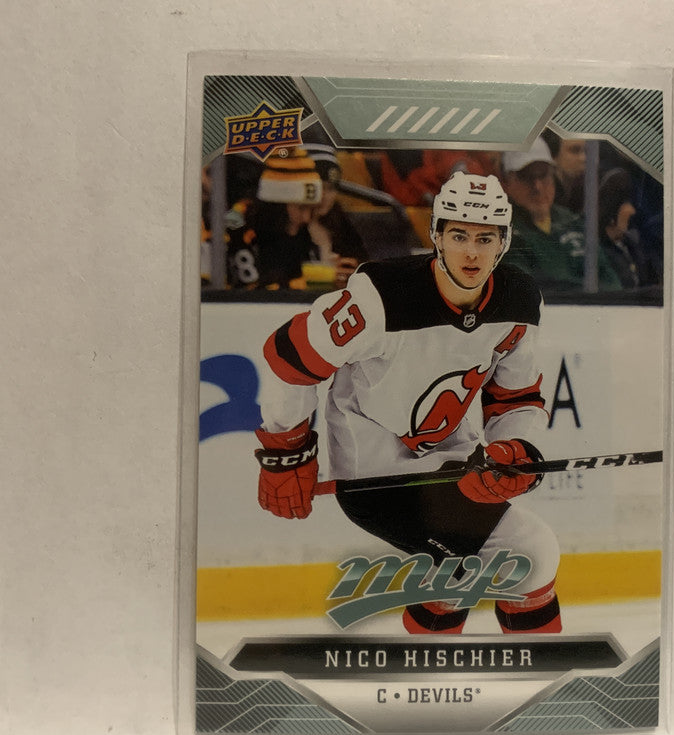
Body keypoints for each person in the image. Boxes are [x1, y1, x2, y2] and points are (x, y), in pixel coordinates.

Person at [253, 172, 562, 635]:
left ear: (504, 241)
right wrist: (287, 447)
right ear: (436, 235)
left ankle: (484, 666)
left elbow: (515, 396)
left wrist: (511, 449)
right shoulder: (381, 297)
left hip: (454, 464)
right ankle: (485, 669)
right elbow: (291, 356)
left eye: (485, 238)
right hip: (373, 476)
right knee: (521, 555)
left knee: (489, 567)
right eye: (459, 236)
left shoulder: (518, 298)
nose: (472, 253)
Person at [501, 137, 622, 292]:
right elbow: (527, 291)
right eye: (526, 177)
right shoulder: (504, 230)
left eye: (544, 175)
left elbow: (611, 282)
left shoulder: (573, 221)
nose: (537, 187)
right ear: (507, 183)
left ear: (553, 176)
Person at [225, 147, 323, 289]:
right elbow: (251, 293)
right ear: (277, 205)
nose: (306, 218)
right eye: (301, 208)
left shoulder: (302, 235)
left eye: (312, 209)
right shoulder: (238, 230)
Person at [303, 143, 369, 281]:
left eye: (331, 189)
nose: (326, 196)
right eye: (320, 187)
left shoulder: (342, 224)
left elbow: (362, 266)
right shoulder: (289, 228)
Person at [598, 168, 661, 289]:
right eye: (627, 203)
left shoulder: (633, 246)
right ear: (612, 206)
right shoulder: (598, 251)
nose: (632, 210)